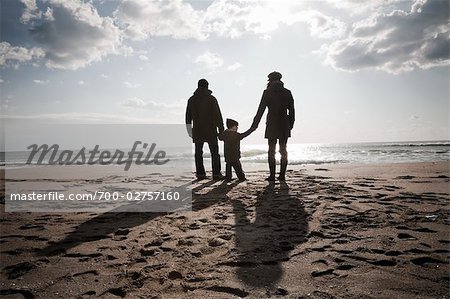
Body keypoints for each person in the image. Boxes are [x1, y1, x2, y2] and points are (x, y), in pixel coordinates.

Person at [251, 71, 295, 181]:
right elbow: (292, 111)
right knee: (283, 150)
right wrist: (290, 125)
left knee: (271, 151)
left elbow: (260, 109)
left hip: (271, 124)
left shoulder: (267, 92)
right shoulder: (287, 92)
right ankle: (282, 175)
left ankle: (272, 176)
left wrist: (254, 125)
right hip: (284, 124)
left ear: (270, 80)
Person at [185, 79, 225, 180]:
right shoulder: (211, 99)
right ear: (207, 86)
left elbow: (188, 117)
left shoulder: (191, 100)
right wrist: (221, 130)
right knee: (214, 152)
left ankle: (200, 173)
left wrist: (189, 131)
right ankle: (216, 173)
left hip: (197, 130)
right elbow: (217, 115)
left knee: (198, 153)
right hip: (210, 129)